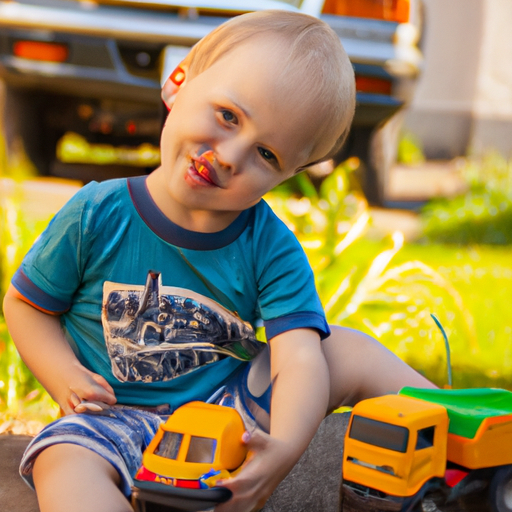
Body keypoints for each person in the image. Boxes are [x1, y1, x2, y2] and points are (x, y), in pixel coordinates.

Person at [2, 10, 434, 512]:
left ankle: (459, 426)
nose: (230, 155)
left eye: (267, 155)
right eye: (228, 115)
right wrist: (63, 375)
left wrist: (284, 449)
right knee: (63, 460)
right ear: (178, 83)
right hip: (109, 415)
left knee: (344, 350)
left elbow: (295, 356)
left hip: (225, 417)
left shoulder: (268, 245)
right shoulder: (96, 215)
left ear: (286, 174)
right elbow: (26, 305)